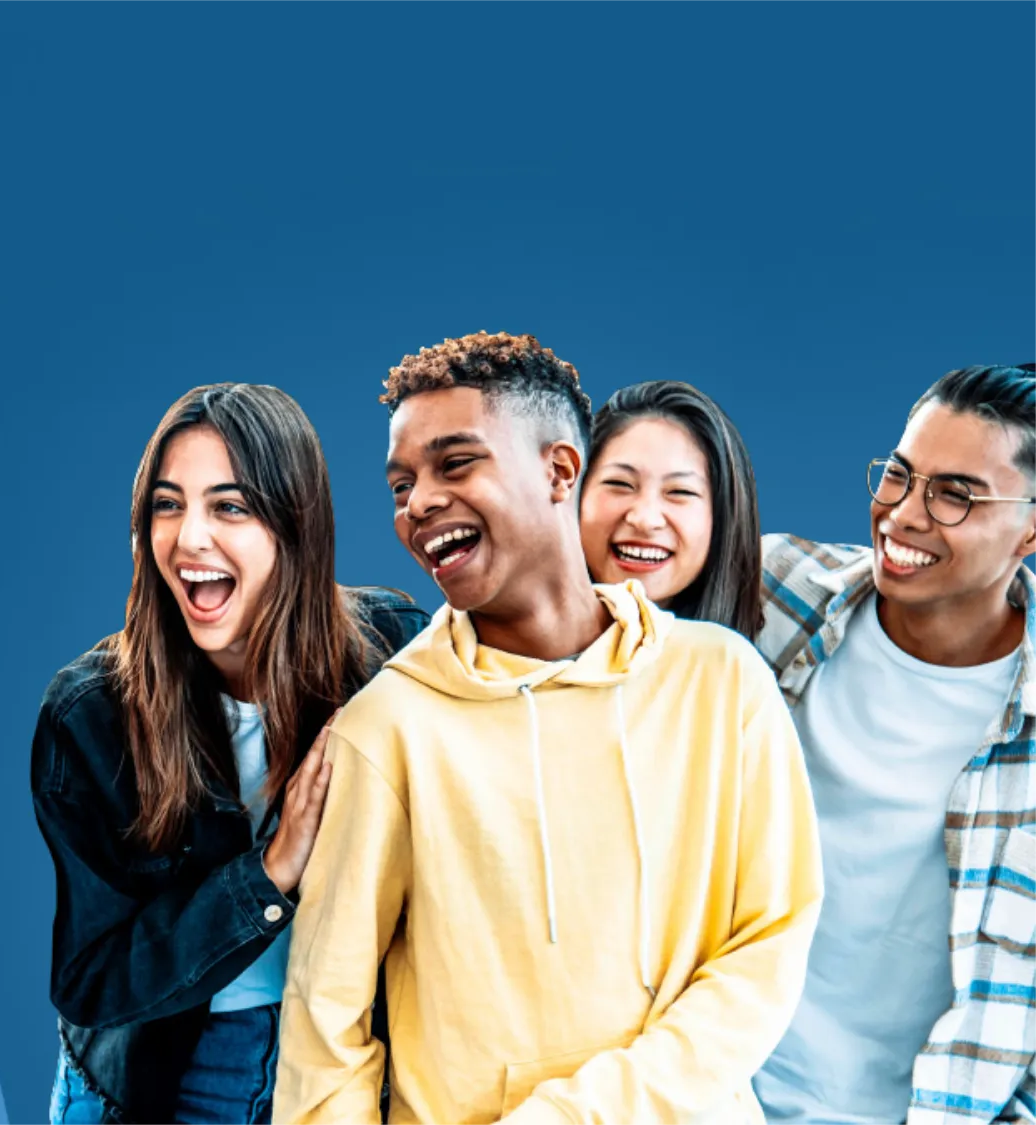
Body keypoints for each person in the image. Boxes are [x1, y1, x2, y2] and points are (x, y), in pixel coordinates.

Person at [275, 332, 822, 1124]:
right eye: (401, 484)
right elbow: (325, 1029)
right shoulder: (387, 727)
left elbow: (769, 941)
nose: (418, 502)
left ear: (561, 470)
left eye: (455, 463)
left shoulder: (722, 681)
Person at [34, 382, 429, 1125]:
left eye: (230, 506)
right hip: (167, 1078)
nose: (189, 537)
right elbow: (92, 980)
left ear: (295, 523)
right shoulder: (91, 714)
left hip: (344, 1059)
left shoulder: (391, 649)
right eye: (168, 504)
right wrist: (271, 870)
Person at [753, 364, 1036, 1125]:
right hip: (707, 1096)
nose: (905, 515)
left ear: (1031, 530)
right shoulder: (773, 594)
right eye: (900, 476)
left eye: (956, 495)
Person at [581, 380, 765, 638]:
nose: (645, 520)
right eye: (620, 484)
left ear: (723, 518)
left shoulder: (743, 659)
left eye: (680, 492)